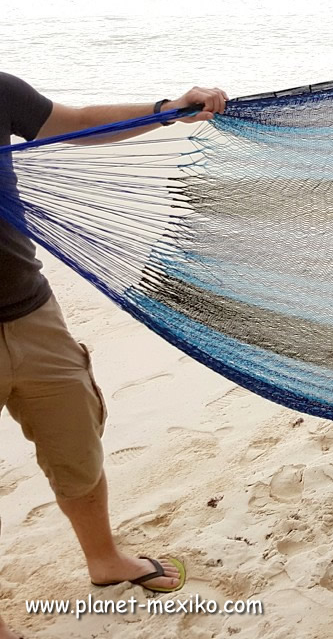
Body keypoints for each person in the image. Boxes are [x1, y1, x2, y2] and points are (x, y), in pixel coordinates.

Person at [0, 72, 227, 639]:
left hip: (32, 313)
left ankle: (104, 560)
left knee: (75, 438)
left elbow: (72, 123)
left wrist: (165, 109)